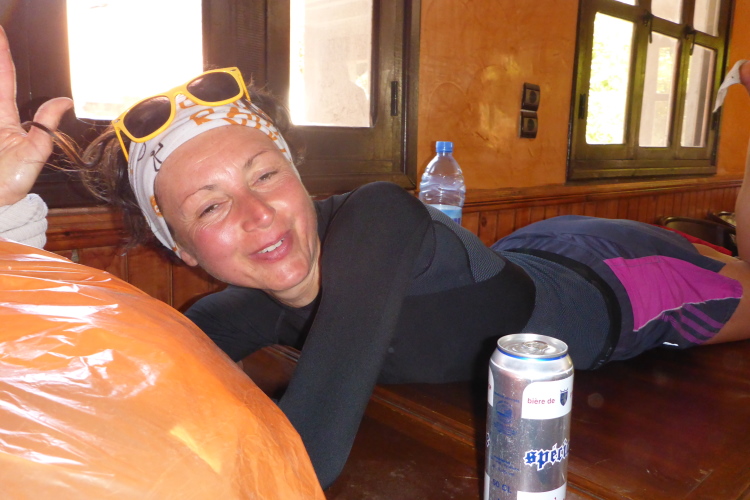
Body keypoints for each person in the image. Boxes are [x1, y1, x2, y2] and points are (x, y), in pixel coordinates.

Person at [2, 23, 750, 488]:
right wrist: (9, 219)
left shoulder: (377, 217)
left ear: (298, 175)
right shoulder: (242, 304)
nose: (259, 215)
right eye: (210, 206)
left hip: (622, 284)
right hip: (531, 248)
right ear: (179, 247)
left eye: (265, 176)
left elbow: (309, 454)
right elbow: (90, 386)